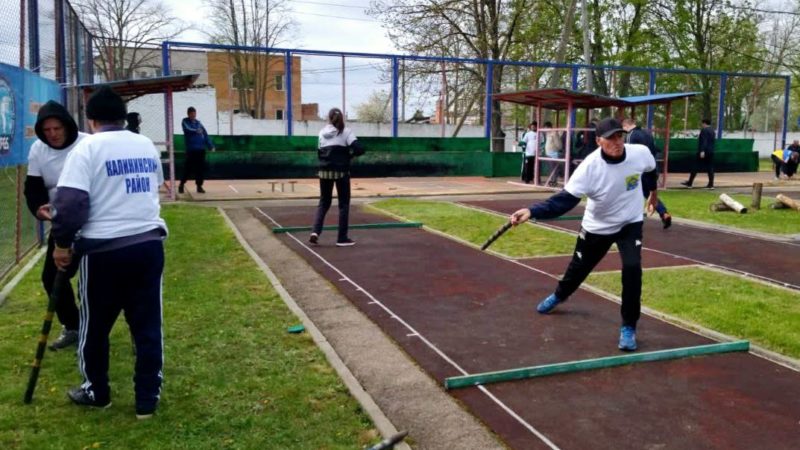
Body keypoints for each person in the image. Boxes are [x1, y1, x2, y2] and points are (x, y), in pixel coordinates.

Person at [51, 86, 168, 419]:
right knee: (147, 326)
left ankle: (96, 391)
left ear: (91, 120)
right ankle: (147, 398)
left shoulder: (89, 148)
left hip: (104, 251)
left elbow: (71, 204)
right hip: (147, 245)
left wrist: (61, 244)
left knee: (95, 326)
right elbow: (151, 184)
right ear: (122, 117)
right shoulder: (144, 144)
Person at [509, 117, 658, 352]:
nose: (617, 142)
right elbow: (563, 202)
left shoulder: (639, 152)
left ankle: (628, 327)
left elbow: (650, 169)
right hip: (597, 227)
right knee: (578, 269)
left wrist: (653, 192)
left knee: (632, 268)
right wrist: (532, 210)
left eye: (619, 136)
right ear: (599, 141)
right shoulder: (589, 168)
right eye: (610, 138)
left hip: (630, 222)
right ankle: (560, 295)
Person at [24, 100, 88, 350]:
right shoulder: (38, 150)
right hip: (62, 224)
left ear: (67, 126)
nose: (52, 134)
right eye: (47, 130)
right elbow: (33, 189)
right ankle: (73, 325)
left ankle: (135, 332)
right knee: (52, 278)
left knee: (100, 280)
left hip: (92, 223)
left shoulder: (86, 144)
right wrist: (39, 209)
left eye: (57, 129)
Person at [309, 108, 365, 247]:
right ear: (342, 118)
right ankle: (342, 238)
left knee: (324, 202)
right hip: (341, 172)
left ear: (329, 118)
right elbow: (360, 149)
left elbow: (319, 152)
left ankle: (315, 232)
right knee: (343, 204)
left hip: (324, 172)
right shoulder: (346, 132)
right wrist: (349, 156)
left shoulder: (321, 133)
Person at [622, 118, 672, 229]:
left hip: (638, 170)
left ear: (626, 126)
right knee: (649, 193)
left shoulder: (631, 135)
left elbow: (629, 153)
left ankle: (627, 220)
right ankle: (664, 213)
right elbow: (654, 149)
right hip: (651, 167)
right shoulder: (647, 134)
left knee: (629, 191)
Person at [179, 106, 214, 194]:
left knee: (200, 169)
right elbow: (188, 129)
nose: (193, 115)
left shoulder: (199, 123)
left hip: (201, 149)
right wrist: (196, 131)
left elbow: (205, 135)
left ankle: (199, 186)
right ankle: (182, 184)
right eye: (191, 114)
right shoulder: (185, 121)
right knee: (188, 168)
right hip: (191, 150)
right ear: (188, 114)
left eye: (194, 113)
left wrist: (210, 145)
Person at [681, 119, 715, 189]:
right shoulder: (712, 131)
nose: (701, 125)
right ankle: (711, 184)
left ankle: (690, 183)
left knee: (696, 166)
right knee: (710, 168)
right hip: (711, 151)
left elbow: (704, 141)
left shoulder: (704, 130)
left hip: (704, 151)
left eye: (702, 124)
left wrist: (702, 151)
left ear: (704, 123)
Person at [543, 121, 564, 186]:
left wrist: (557, 149)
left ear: (548, 127)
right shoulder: (547, 134)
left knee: (554, 168)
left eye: (545, 128)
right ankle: (553, 180)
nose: (544, 129)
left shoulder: (554, 134)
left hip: (554, 153)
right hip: (549, 153)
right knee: (551, 168)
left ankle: (554, 180)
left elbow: (559, 144)